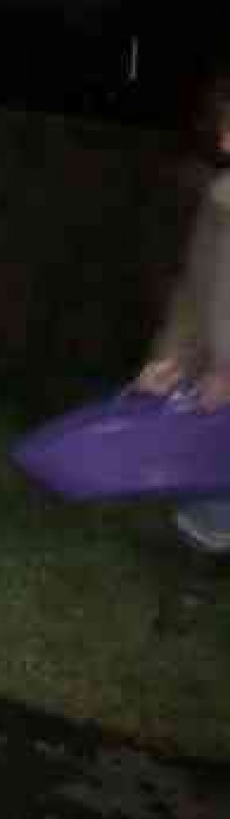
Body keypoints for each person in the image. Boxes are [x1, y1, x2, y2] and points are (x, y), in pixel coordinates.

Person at [134, 68, 230, 555]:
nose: (228, 137)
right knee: (203, 514)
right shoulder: (220, 200)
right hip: (214, 392)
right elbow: (194, 295)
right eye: (226, 122)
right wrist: (168, 359)